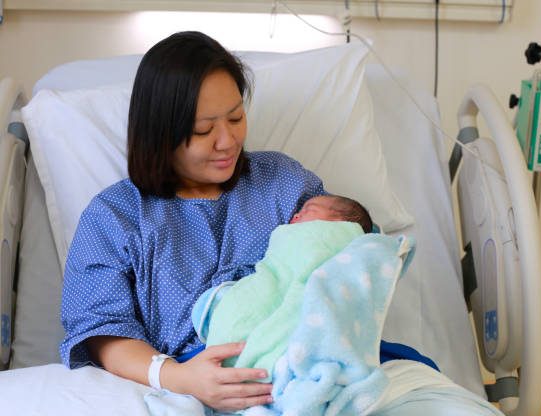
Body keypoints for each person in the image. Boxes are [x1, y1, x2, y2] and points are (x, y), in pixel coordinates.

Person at [59, 31, 327, 412]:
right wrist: (180, 377)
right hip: (179, 384)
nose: (228, 141)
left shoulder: (283, 184)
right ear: (159, 135)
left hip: (297, 370)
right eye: (203, 130)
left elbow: (341, 255)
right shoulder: (115, 215)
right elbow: (101, 329)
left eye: (236, 117)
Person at [190, 195, 374, 381]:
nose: (294, 215)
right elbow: (278, 269)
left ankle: (269, 358)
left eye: (307, 211)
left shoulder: (335, 241)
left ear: (337, 224)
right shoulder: (290, 237)